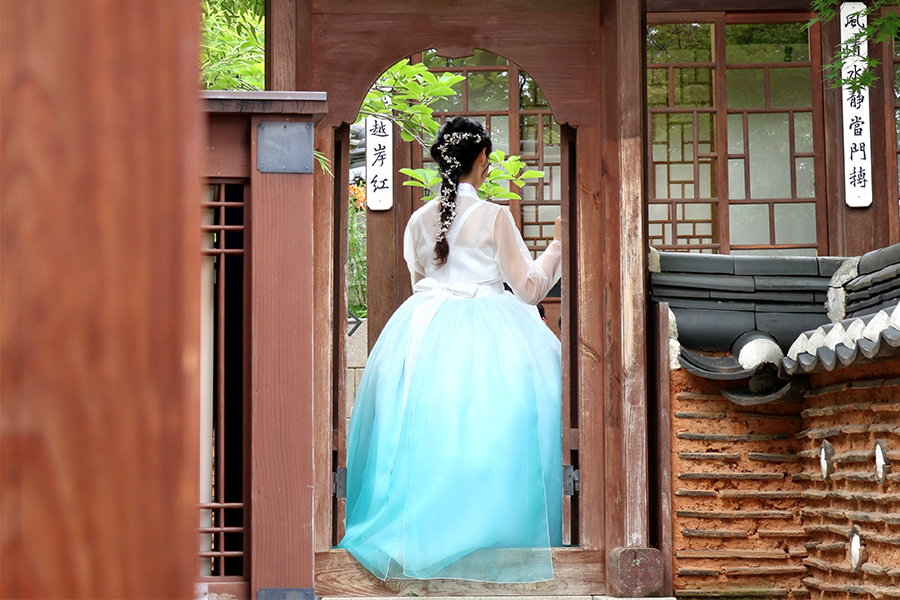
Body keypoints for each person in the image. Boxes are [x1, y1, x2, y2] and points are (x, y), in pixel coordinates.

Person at [339, 116, 563, 583]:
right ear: (482, 160)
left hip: (423, 329)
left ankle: (421, 537)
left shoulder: (419, 221)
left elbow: (421, 280)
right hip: (488, 332)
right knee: (489, 431)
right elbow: (529, 288)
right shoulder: (494, 216)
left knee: (429, 432)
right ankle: (491, 540)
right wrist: (558, 244)